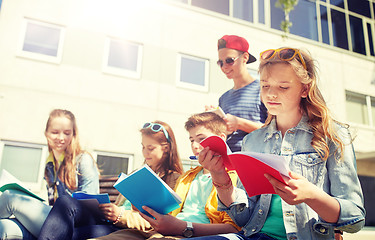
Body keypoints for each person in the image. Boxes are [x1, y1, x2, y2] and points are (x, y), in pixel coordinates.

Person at [194, 48, 365, 240]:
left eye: (283, 87)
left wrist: (312, 195)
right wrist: (220, 178)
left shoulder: (334, 135)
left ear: (305, 89)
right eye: (265, 86)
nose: (271, 95)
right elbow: (242, 218)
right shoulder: (252, 140)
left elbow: (355, 218)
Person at [90, 112, 240, 240]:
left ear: (221, 138)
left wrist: (183, 227)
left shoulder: (234, 177)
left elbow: (234, 228)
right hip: (161, 231)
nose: (195, 145)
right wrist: (144, 208)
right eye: (192, 140)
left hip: (187, 234)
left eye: (201, 139)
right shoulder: (187, 177)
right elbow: (169, 215)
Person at [38, 121, 184, 240]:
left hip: (124, 228)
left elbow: (158, 222)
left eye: (150, 148)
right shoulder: (137, 173)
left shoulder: (175, 180)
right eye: (143, 147)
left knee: (71, 234)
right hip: (110, 220)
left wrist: (120, 215)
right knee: (65, 201)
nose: (145, 152)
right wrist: (109, 209)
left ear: (166, 148)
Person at [0, 109, 100, 240]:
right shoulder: (50, 164)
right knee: (4, 226)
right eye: (55, 132)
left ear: (73, 134)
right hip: (53, 219)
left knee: (10, 198)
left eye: (67, 133)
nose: (61, 138)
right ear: (46, 133)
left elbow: (90, 206)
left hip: (73, 223)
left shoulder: (83, 160)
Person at [206, 35, 267, 152]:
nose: (224, 67)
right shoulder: (223, 98)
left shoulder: (263, 89)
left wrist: (239, 123)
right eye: (220, 62)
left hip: (256, 162)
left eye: (229, 60)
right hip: (230, 163)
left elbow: (276, 131)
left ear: (245, 57)